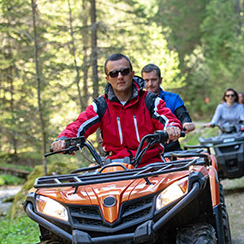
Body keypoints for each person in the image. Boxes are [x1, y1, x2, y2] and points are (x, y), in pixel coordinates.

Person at [51, 53, 181, 166]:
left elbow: (167, 117)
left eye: (124, 71)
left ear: (132, 74)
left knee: (174, 191)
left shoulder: (150, 100)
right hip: (115, 168)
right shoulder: (101, 105)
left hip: (151, 165)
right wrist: (63, 139)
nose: (119, 76)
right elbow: (79, 124)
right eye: (113, 73)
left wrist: (172, 127)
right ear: (108, 79)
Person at [141, 63, 195, 152]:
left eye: (153, 80)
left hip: (171, 149)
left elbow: (183, 115)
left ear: (160, 80)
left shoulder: (173, 98)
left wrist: (186, 123)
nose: (150, 84)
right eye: (146, 80)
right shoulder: (136, 102)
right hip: (145, 151)